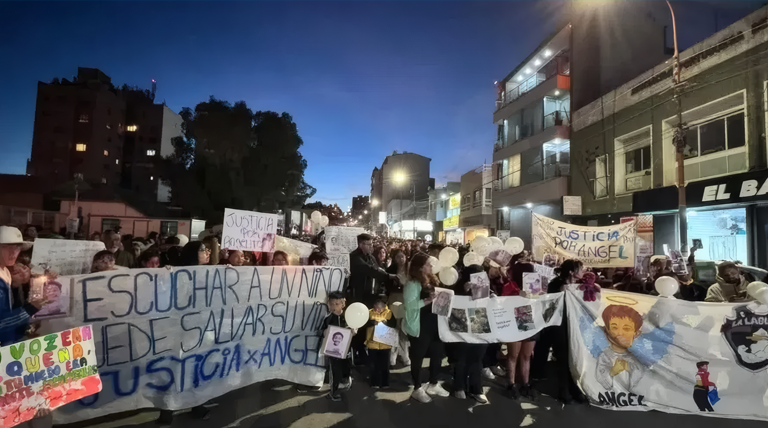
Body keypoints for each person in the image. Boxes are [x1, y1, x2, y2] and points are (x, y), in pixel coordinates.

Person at [157, 240, 211, 425]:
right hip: (178, 329)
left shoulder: (210, 272)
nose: (207, 252)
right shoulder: (175, 272)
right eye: (203, 250)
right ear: (193, 253)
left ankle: (196, 405)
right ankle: (167, 409)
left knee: (195, 368)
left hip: (197, 329)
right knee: (175, 368)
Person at [532, 259, 585, 404]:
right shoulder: (555, 284)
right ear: (571, 272)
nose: (583, 272)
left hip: (574, 324)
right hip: (558, 326)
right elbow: (548, 302)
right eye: (580, 269)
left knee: (575, 357)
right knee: (563, 358)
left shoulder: (582, 285)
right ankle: (564, 391)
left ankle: (575, 389)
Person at [403, 252, 449, 403]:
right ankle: (417, 388)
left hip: (436, 323)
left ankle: (433, 382)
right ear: (420, 267)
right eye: (428, 264)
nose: (431, 266)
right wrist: (427, 301)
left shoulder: (433, 279)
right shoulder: (412, 283)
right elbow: (409, 306)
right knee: (418, 357)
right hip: (420, 325)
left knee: (437, 354)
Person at [0, 226, 46, 346]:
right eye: (8, 248)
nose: (13, 253)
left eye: (17, 249)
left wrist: (25, 330)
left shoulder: (5, 272)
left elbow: (10, 311)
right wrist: (29, 309)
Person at [452, 265, 489, 403]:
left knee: (477, 358)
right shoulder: (459, 287)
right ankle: (459, 387)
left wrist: (492, 297)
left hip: (479, 323)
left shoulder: (486, 287)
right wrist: (464, 291)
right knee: (462, 358)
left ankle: (476, 389)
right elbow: (452, 302)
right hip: (463, 326)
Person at [595, 305, 646, 391]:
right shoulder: (605, 356)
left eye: (626, 328)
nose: (619, 333)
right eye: (614, 327)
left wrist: (629, 367)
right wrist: (612, 371)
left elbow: (641, 379)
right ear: (607, 330)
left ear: (636, 334)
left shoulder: (634, 359)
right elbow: (600, 379)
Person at [319, 291, 353, 401]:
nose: (334, 306)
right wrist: (326, 332)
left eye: (337, 303)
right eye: (332, 303)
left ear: (343, 303)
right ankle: (334, 391)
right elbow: (322, 332)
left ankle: (346, 380)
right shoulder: (328, 318)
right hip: (333, 351)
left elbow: (354, 329)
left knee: (346, 367)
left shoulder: (348, 316)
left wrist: (353, 331)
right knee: (335, 371)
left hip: (346, 349)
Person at [386, 248, 410, 367]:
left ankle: (405, 355)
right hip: (394, 298)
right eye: (398, 257)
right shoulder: (390, 270)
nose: (401, 259)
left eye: (402, 256)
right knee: (393, 326)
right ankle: (393, 355)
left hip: (406, 299)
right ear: (394, 259)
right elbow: (386, 284)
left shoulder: (409, 270)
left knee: (403, 328)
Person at [365, 300, 397, 388]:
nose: (376, 310)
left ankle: (384, 383)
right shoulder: (369, 313)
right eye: (375, 308)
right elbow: (363, 324)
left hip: (385, 344)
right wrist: (372, 323)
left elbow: (393, 325)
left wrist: (382, 323)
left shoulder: (389, 313)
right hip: (372, 344)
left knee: (385, 365)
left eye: (378, 309)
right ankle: (374, 382)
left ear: (383, 307)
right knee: (373, 365)